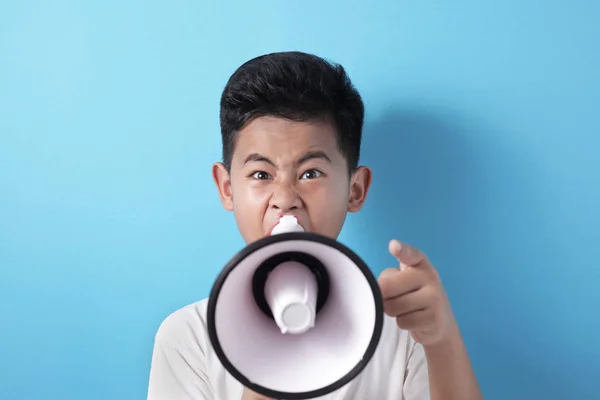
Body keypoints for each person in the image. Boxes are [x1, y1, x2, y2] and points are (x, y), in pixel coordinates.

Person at [146, 51, 483, 400]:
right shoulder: (187, 338)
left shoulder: (405, 329)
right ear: (227, 187)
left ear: (355, 190)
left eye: (311, 173)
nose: (286, 198)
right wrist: (268, 359)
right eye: (261, 174)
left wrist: (442, 342)